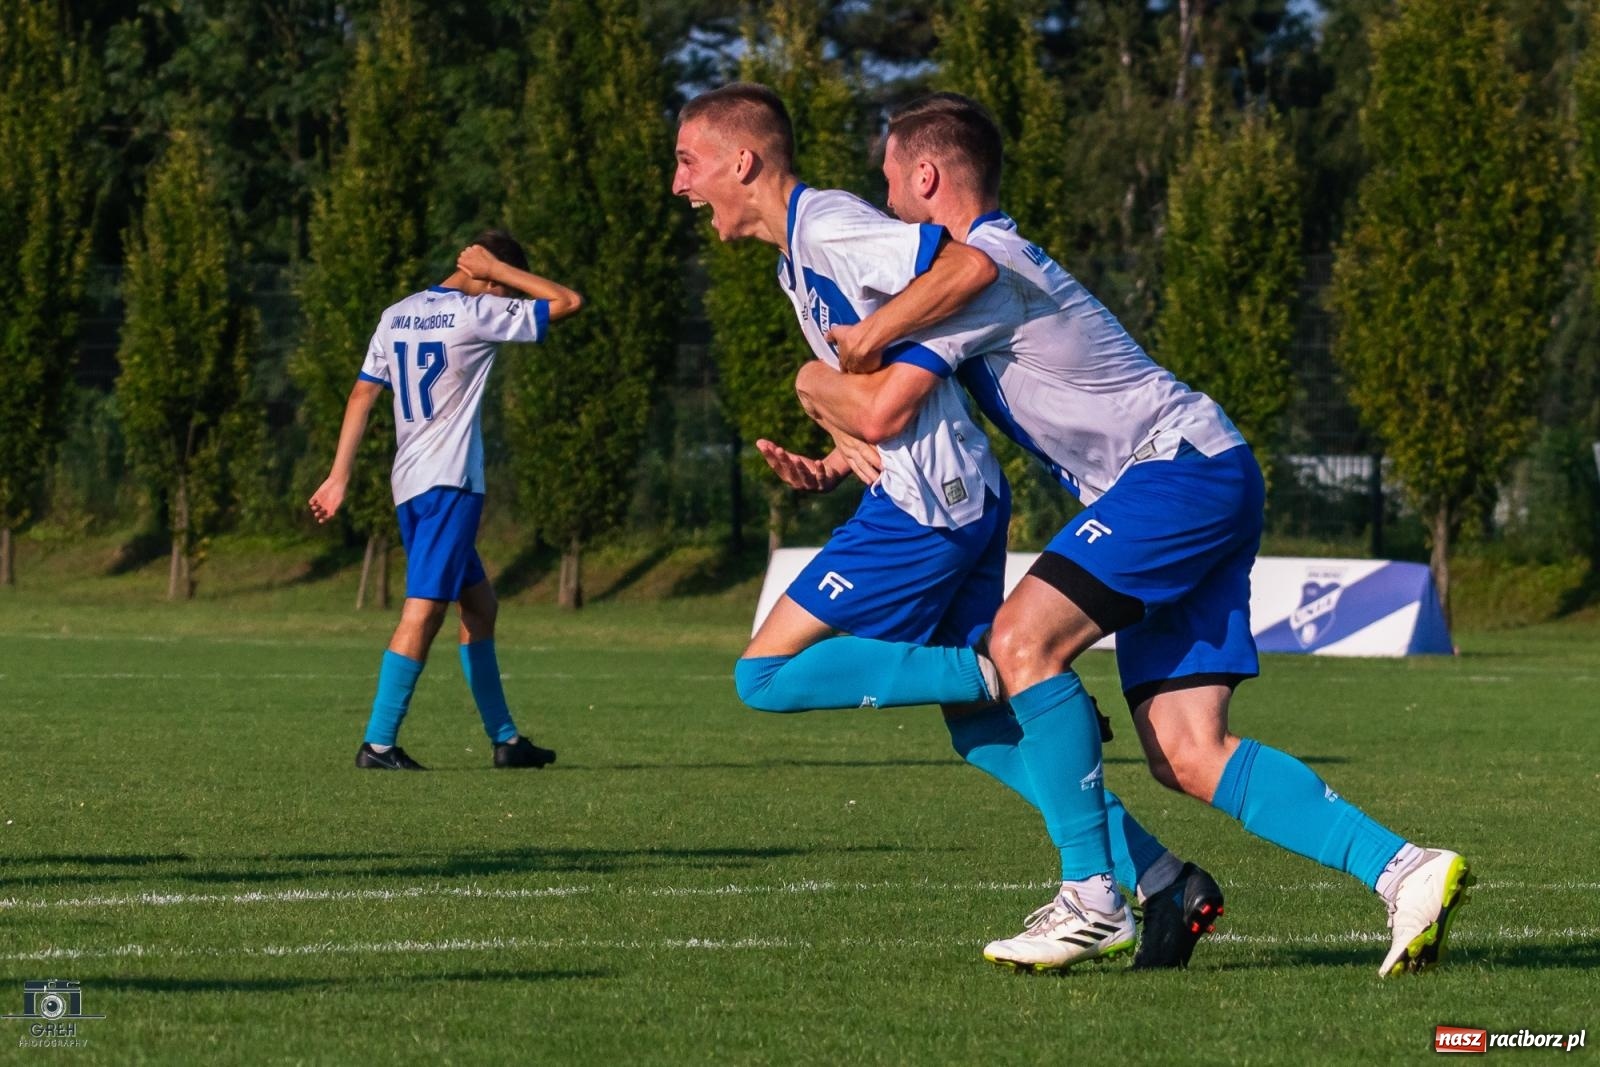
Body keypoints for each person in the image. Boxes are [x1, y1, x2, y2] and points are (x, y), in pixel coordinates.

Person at [791, 92, 1470, 977]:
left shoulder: (979, 262)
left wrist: (840, 354)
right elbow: (902, 410)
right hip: (1202, 472)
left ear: (926, 175)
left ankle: (1093, 897)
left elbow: (907, 365)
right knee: (1186, 753)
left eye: (888, 179)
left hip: (1175, 474)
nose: (883, 200)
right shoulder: (977, 273)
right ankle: (1406, 871)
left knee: (1019, 640)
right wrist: (838, 454)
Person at [675, 83, 1222, 969]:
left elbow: (968, 264)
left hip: (929, 506)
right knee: (981, 734)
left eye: (687, 161)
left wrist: (841, 368)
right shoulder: (795, 261)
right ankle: (1161, 880)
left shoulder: (829, 227)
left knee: (764, 675)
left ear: (743, 162)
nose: (678, 184)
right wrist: (832, 439)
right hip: (941, 492)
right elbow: (888, 382)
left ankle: (1001, 672)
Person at [309, 230, 583, 771]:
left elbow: (363, 393)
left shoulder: (397, 313)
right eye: (504, 287)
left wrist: (338, 475)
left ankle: (506, 740)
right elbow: (568, 301)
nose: (507, 300)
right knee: (425, 610)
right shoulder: (476, 312)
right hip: (450, 484)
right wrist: (498, 272)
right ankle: (378, 744)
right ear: (487, 273)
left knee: (480, 607)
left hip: (409, 485)